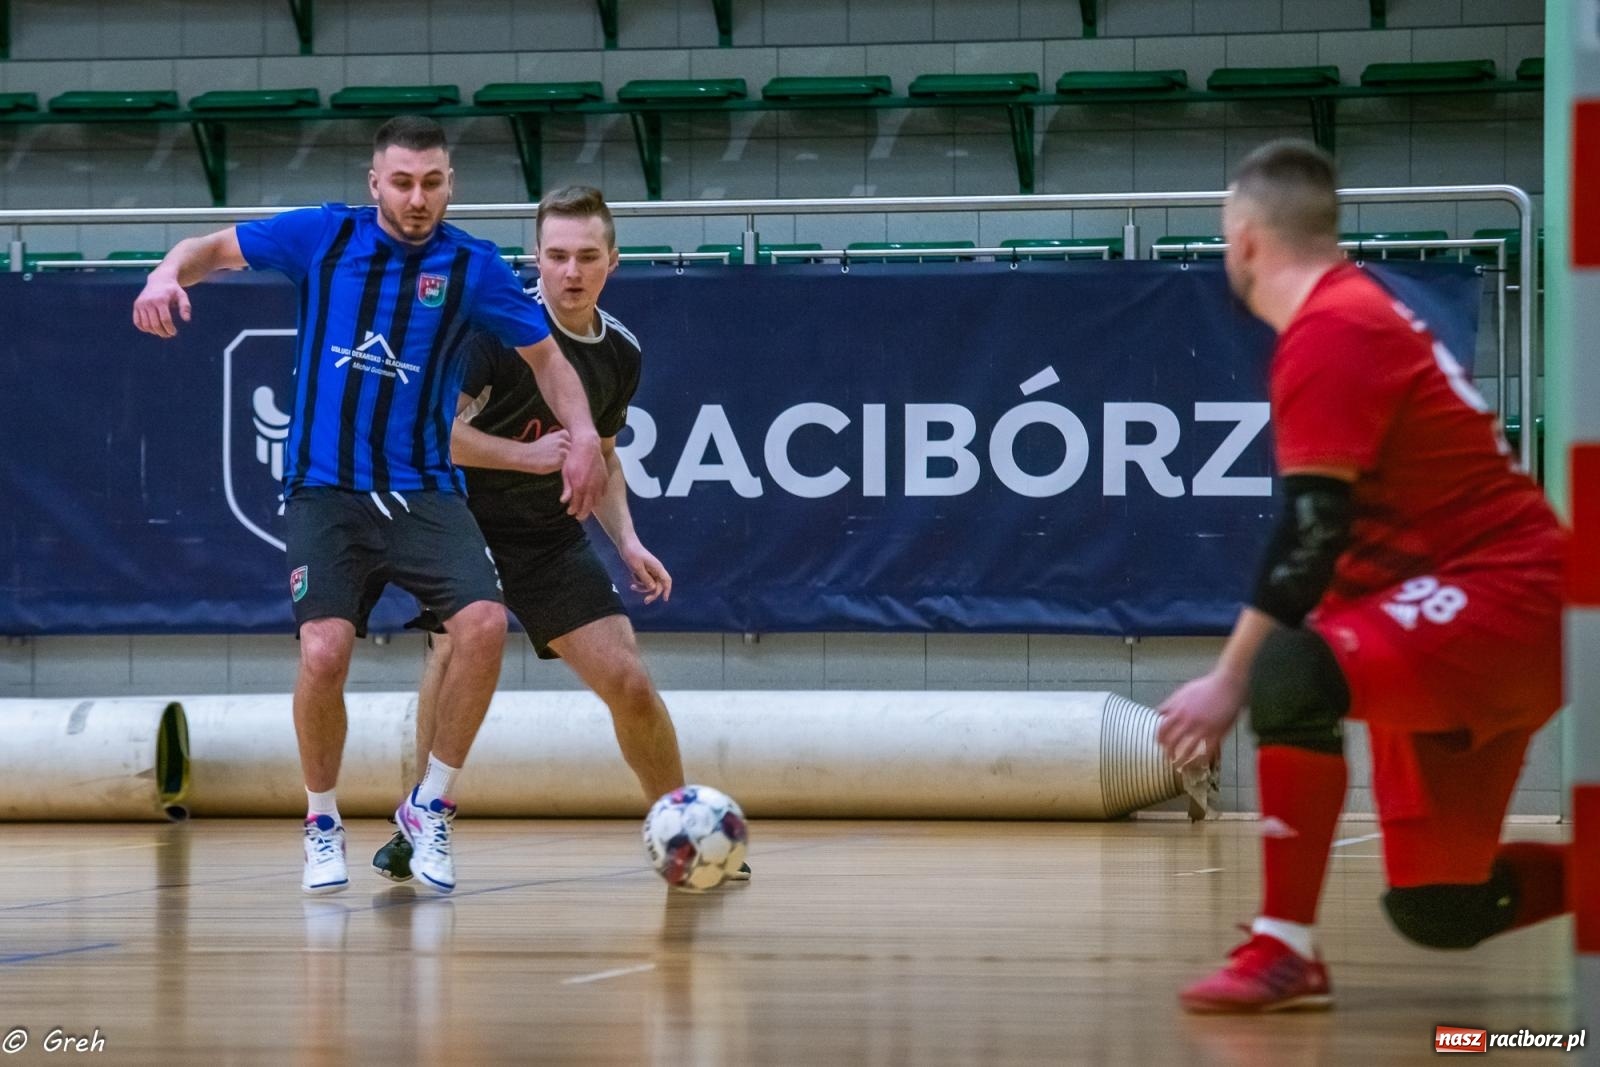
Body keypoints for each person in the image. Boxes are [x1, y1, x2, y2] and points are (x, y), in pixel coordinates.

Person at [132, 116, 607, 896]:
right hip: (327, 490)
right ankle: (322, 821)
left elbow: (548, 358)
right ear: (374, 183)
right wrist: (162, 277)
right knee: (323, 650)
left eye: (432, 182)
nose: (416, 198)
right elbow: (207, 249)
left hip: (424, 488)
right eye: (401, 181)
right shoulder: (322, 236)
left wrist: (584, 432)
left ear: (451, 184)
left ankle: (430, 805)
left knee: (485, 625)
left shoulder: (472, 267)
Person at [1155, 140, 1570, 1013]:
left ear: (1245, 242)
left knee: (1289, 668)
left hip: (1502, 595)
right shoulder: (1356, 313)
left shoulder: (1334, 327)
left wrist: (1228, 682)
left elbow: (1314, 529)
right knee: (1441, 910)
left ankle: (1284, 949)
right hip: (1449, 613)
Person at [369, 185, 749, 885]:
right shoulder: (491, 333)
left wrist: (627, 540)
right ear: (534, 261)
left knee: (628, 680)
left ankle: (683, 829)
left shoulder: (620, 352)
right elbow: (431, 435)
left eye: (586, 257)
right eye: (556, 256)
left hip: (546, 533)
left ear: (613, 261)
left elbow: (599, 452)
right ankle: (422, 823)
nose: (570, 272)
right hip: (460, 519)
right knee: (455, 645)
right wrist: (524, 456)